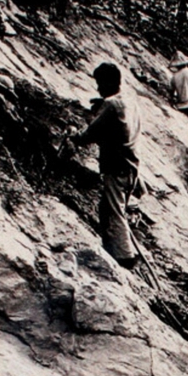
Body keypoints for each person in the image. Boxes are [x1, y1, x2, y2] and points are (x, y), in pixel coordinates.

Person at [69, 62, 142, 269]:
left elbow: (92, 133)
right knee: (111, 208)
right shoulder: (129, 100)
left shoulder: (111, 105)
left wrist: (76, 138)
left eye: (100, 83)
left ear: (109, 83)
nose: (99, 88)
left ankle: (125, 257)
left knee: (114, 210)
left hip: (116, 165)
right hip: (131, 163)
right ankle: (114, 249)